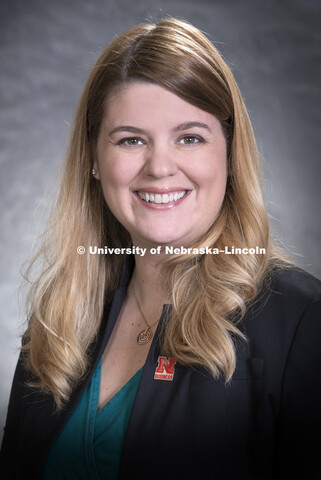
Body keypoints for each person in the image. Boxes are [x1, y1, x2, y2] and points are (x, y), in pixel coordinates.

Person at [1, 17, 321, 480]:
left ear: (229, 154)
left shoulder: (303, 322)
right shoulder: (57, 326)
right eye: (131, 140)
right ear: (94, 158)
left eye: (189, 137)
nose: (160, 167)